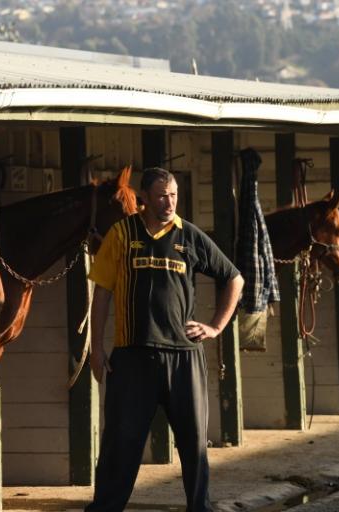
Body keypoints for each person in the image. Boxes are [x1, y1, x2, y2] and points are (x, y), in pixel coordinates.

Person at [85, 167, 244, 512]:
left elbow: (234, 278)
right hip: (132, 356)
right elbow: (101, 294)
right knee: (120, 446)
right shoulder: (121, 234)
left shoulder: (189, 235)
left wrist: (216, 326)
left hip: (184, 357)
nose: (169, 201)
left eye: (173, 194)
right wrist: (96, 349)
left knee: (194, 445)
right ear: (143, 198)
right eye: (161, 195)